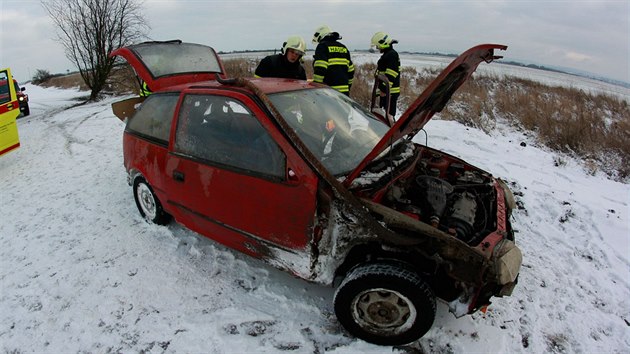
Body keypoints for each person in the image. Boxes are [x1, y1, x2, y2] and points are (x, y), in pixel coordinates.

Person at [312, 25, 354, 96]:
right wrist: (348, 87)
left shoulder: (322, 46)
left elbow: (320, 68)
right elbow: (351, 70)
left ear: (320, 37)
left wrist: (316, 86)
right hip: (344, 93)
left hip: (329, 92)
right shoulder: (343, 48)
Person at [371, 31, 400, 118]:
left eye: (378, 46)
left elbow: (391, 74)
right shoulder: (388, 54)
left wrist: (384, 90)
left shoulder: (392, 55)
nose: (377, 47)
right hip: (387, 92)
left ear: (383, 43)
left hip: (389, 93)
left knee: (388, 117)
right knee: (383, 117)